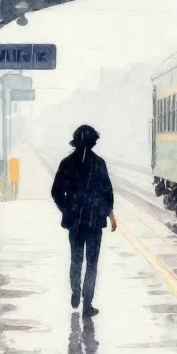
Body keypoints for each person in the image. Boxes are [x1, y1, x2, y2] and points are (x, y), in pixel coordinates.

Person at [51, 125, 116, 316]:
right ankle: (87, 305)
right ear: (93, 142)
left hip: (75, 222)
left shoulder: (66, 163)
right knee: (92, 263)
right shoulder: (99, 163)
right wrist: (109, 213)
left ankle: (75, 290)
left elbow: (56, 191)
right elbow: (107, 192)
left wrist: (67, 209)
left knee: (76, 258)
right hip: (94, 222)